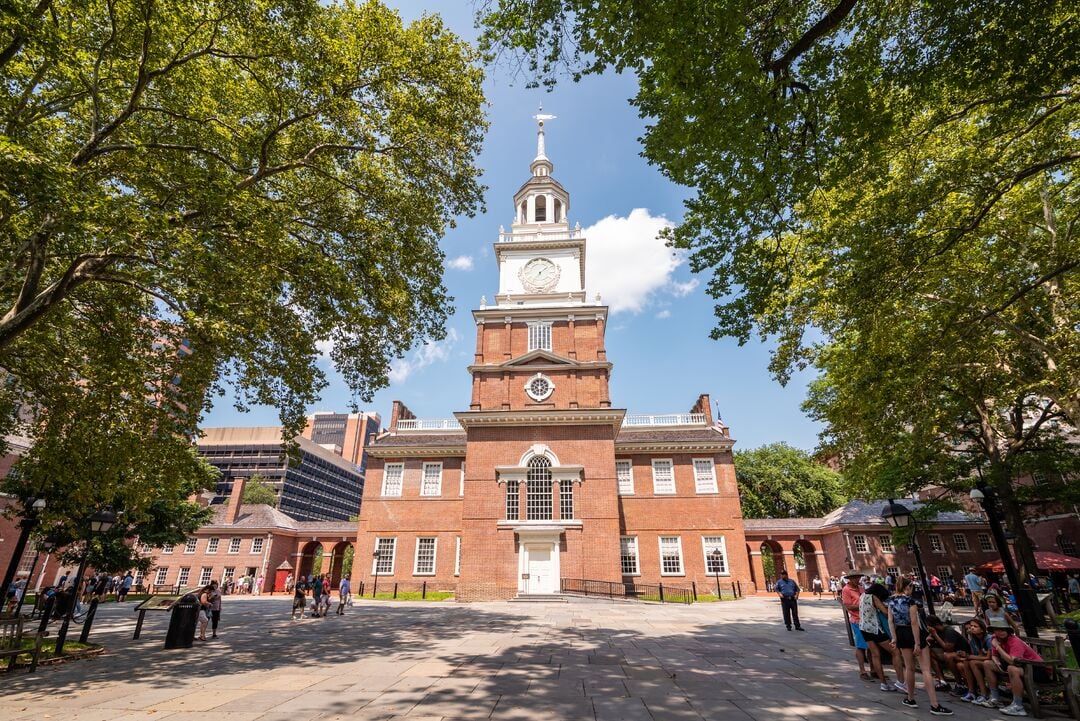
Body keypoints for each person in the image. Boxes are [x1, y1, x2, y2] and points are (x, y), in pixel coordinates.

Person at [887, 576, 953, 715]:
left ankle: (910, 699)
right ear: (908, 587)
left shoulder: (891, 600)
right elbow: (914, 622)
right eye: (911, 587)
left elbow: (890, 621)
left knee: (909, 668)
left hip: (900, 633)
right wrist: (917, 642)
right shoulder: (911, 601)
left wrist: (894, 638)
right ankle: (934, 705)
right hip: (913, 633)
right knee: (926, 670)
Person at [981, 620, 1051, 716]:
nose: (1000, 632)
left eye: (1003, 630)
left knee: (1011, 668)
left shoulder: (1014, 641)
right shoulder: (995, 638)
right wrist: (996, 660)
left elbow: (1012, 661)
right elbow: (994, 655)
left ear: (1008, 631)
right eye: (997, 630)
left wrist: (997, 647)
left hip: (1038, 670)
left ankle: (1018, 706)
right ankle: (995, 698)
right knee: (987, 664)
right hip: (1022, 667)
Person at [858, 578, 902, 693]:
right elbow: (885, 612)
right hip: (875, 628)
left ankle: (883, 683)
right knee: (895, 651)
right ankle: (901, 681)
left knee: (875, 655)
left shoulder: (862, 596)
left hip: (864, 628)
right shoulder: (874, 597)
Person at [955, 618, 993, 705]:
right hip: (982, 661)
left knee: (971, 661)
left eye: (975, 626)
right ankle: (972, 691)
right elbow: (975, 654)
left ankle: (984, 693)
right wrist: (966, 655)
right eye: (971, 626)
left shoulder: (989, 639)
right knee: (966, 662)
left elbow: (989, 657)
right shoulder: (974, 639)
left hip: (992, 662)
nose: (972, 628)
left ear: (982, 629)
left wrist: (969, 656)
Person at [840, 572, 870, 679]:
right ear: (850, 579)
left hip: (867, 619)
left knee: (870, 646)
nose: (858, 580)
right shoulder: (846, 590)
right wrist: (862, 605)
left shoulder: (861, 588)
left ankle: (874, 669)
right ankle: (862, 671)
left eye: (859, 577)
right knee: (861, 646)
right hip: (857, 620)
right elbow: (848, 606)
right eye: (856, 578)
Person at [926, 615, 965, 694]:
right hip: (948, 654)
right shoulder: (936, 632)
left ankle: (959, 684)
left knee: (948, 656)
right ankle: (943, 682)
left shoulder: (948, 631)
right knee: (929, 653)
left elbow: (948, 648)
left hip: (960, 654)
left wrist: (935, 635)